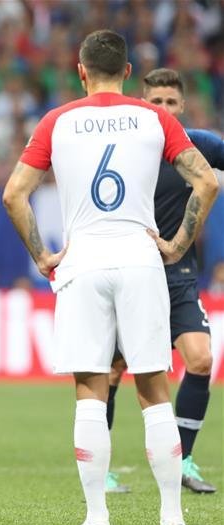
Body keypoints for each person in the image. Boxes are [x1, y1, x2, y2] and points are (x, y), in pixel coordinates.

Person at [2, 31, 218, 525]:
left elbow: (15, 195)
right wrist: (177, 245)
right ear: (127, 72)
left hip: (84, 261)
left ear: (80, 72)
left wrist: (43, 257)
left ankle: (97, 520)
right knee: (154, 389)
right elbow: (206, 181)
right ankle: (172, 523)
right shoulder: (157, 118)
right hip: (142, 260)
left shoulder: (57, 121)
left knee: (90, 390)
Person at [105, 68, 223, 495]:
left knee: (201, 359)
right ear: (143, 103)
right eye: (156, 102)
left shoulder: (198, 145)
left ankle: (184, 459)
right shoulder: (124, 145)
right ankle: (103, 468)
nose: (164, 109)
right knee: (113, 370)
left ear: (183, 106)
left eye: (171, 103)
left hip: (180, 276)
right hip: (131, 272)